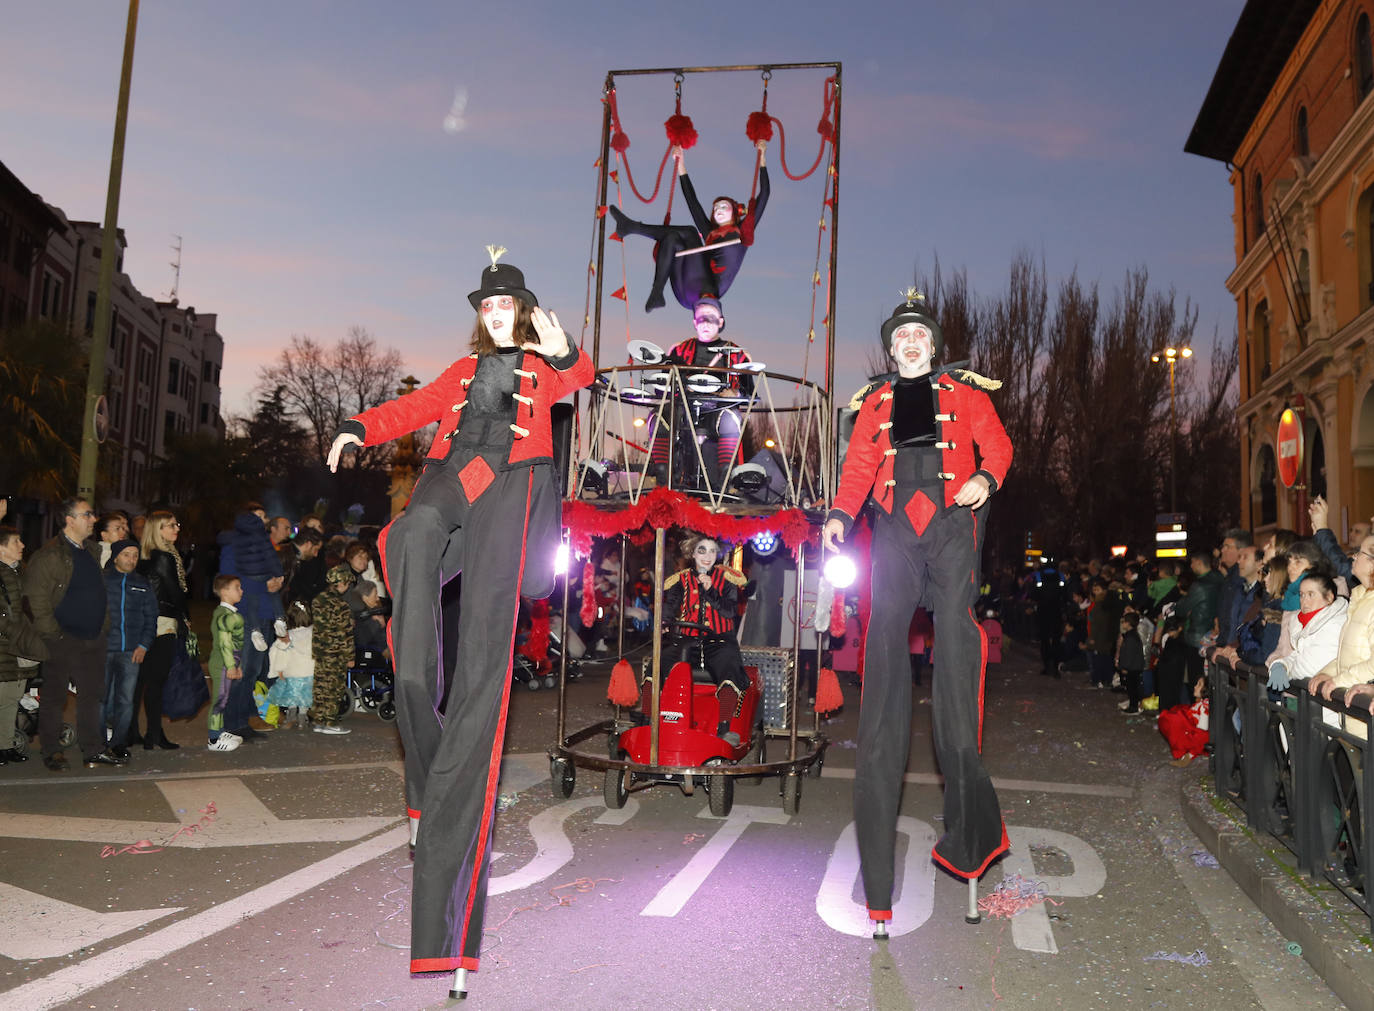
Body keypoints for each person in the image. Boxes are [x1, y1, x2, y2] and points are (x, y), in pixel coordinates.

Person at [327, 251, 592, 984]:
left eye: (510, 306)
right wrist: (355, 426)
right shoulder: (457, 373)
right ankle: (426, 780)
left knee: (482, 669)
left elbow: (581, 375)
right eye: (491, 307)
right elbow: (405, 413)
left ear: (524, 313)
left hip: (510, 491)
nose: (499, 315)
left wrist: (561, 344)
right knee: (410, 545)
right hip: (452, 478)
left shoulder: (541, 368)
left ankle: (448, 898)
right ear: (482, 316)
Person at [821, 289, 1013, 929]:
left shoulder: (966, 393)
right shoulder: (873, 404)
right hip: (896, 531)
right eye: (901, 334)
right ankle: (877, 885)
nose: (910, 341)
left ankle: (969, 830)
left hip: (954, 524)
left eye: (920, 335)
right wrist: (841, 516)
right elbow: (857, 468)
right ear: (891, 347)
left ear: (933, 346)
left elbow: (1000, 447)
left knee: (957, 666)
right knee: (884, 665)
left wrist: (986, 479)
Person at [608, 141, 770, 312]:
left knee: (691, 232)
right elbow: (692, 202)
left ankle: (632, 227)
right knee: (672, 239)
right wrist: (681, 165)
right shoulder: (711, 233)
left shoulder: (743, 233)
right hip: (684, 289)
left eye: (723, 206)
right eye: (715, 208)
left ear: (735, 213)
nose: (718, 210)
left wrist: (762, 157)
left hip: (706, 292)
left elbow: (765, 193)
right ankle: (657, 293)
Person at [22, 497, 114, 770]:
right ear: (69, 520)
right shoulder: (49, 555)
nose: (93, 519)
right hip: (63, 638)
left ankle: (92, 749)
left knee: (91, 695)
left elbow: (99, 594)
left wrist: (103, 626)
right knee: (55, 696)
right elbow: (35, 600)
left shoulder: (91, 551)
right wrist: (53, 634)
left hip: (93, 637)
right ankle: (51, 751)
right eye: (87, 514)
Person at [647, 295, 754, 487]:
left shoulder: (737, 353)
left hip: (717, 410)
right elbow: (660, 387)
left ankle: (723, 484)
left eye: (711, 317)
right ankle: (663, 483)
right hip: (682, 410)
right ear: (694, 322)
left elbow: (750, 394)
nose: (705, 322)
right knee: (657, 417)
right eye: (701, 317)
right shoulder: (679, 350)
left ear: (721, 322)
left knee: (731, 418)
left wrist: (735, 394)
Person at [662, 534, 750, 743]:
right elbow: (669, 607)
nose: (707, 556)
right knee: (658, 664)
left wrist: (711, 590)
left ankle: (724, 727)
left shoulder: (727, 579)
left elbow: (730, 612)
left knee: (728, 665)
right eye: (702, 550)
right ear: (693, 553)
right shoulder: (680, 580)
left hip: (719, 641)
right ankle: (649, 720)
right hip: (686, 641)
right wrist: (664, 624)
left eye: (712, 551)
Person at [135, 511, 189, 750]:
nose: (176, 528)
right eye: (169, 525)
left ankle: (139, 733)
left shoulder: (147, 556)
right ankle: (153, 734)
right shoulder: (164, 557)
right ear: (157, 531)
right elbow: (175, 593)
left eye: (176, 524)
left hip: (149, 621)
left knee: (143, 681)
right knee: (155, 681)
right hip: (162, 623)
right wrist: (185, 616)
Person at [102, 538, 156, 761]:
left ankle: (118, 743)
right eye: (127, 554)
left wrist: (144, 645)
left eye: (135, 555)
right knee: (101, 699)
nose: (132, 559)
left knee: (125, 700)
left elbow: (151, 617)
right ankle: (97, 742)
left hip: (131, 652)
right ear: (115, 557)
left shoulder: (142, 583)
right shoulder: (102, 581)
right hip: (103, 650)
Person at [1306, 534, 1374, 710]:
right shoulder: (1360, 596)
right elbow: (1352, 654)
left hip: (1363, 709)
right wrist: (1327, 673)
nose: (1354, 556)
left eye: (1361, 553)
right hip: (1352, 708)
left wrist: (1339, 680)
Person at [1263, 571, 1347, 693]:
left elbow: (1311, 667)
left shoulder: (1336, 623)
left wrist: (1287, 672)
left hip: (1328, 705)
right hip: (1310, 700)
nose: (1304, 601)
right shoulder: (1307, 623)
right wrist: (1280, 665)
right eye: (1301, 595)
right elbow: (1296, 655)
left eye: (1311, 594)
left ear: (1329, 597)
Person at [0, 526, 43, 764]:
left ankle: (5, 745)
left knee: (11, 697)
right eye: (16, 541)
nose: (22, 545)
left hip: (19, 644)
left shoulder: (20, 573)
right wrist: (17, 630)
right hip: (6, 644)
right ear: (1, 547)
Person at [308, 564, 356, 735]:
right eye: (347, 582)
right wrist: (350, 656)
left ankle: (318, 720)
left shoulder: (318, 599)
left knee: (321, 686)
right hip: (336, 654)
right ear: (341, 582)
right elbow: (344, 634)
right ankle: (330, 722)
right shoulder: (340, 605)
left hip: (321, 652)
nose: (348, 585)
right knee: (334, 688)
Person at [206, 573, 245, 752]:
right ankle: (213, 738)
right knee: (220, 700)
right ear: (224, 591)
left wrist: (237, 665)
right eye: (237, 587)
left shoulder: (230, 613)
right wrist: (230, 665)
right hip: (222, 663)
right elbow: (224, 643)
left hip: (228, 662)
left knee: (224, 698)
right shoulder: (224, 615)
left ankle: (220, 731)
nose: (241, 591)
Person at [266, 599, 314, 729]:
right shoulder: (314, 633)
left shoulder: (288, 636)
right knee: (305, 695)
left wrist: (279, 669)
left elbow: (279, 652)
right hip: (309, 671)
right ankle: (302, 717)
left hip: (292, 671)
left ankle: (291, 715)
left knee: (292, 694)